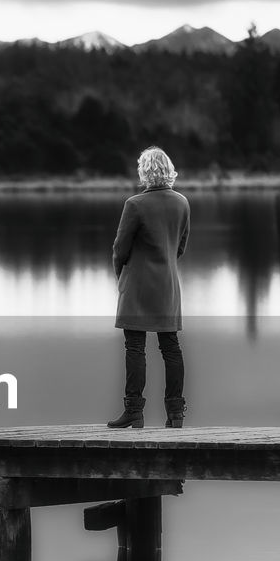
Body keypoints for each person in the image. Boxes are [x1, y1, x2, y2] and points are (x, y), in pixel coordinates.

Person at [108, 147, 190, 429]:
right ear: (168, 169)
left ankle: (134, 411)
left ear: (145, 171)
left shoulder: (135, 204)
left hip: (138, 284)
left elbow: (120, 249)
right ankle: (176, 413)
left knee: (135, 347)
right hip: (168, 284)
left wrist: (122, 275)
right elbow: (180, 246)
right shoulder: (182, 203)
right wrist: (164, 263)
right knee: (171, 347)